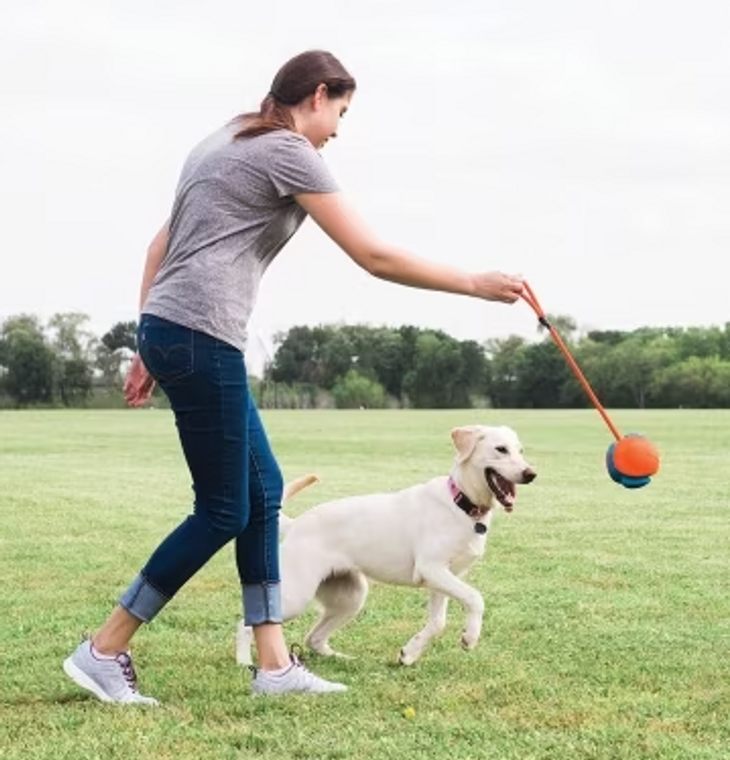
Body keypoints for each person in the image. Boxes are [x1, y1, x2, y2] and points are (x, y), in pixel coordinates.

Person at [63, 49, 524, 705]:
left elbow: (158, 249)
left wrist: (147, 338)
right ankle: (104, 648)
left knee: (262, 491)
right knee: (223, 508)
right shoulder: (286, 150)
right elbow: (371, 254)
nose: (338, 127)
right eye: (340, 110)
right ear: (317, 95)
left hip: (176, 328)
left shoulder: (221, 140)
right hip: (199, 333)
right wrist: (475, 284)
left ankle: (275, 666)